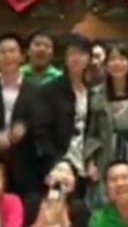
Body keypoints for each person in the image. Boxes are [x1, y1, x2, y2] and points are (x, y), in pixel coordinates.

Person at [0, 33, 44, 197]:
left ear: (22, 56)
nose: (8, 56)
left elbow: (42, 125)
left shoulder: (37, 92)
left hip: (26, 165)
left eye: (12, 51)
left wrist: (26, 128)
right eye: (3, 52)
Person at [85, 41, 128, 209]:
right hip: (106, 154)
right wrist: (90, 162)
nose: (117, 63)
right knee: (106, 202)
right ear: (106, 64)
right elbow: (91, 132)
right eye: (112, 59)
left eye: (122, 59)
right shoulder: (96, 94)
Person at [38, 33, 93, 190]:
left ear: (88, 58)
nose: (76, 58)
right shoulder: (49, 90)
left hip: (86, 161)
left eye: (81, 54)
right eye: (72, 54)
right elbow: (42, 131)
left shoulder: (93, 90)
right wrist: (56, 162)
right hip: (60, 161)